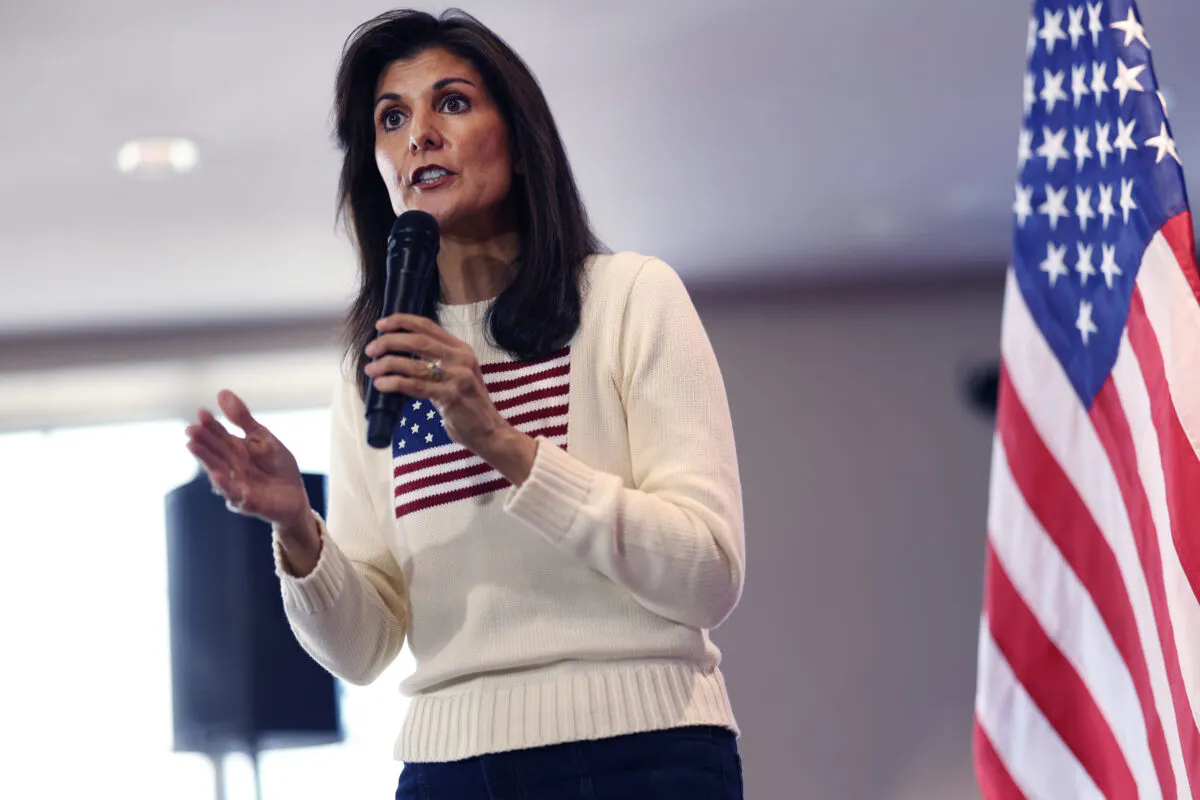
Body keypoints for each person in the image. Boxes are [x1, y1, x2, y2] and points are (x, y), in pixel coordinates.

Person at [185, 8, 746, 798]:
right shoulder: (374, 363)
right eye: (392, 118)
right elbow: (364, 650)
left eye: (451, 103)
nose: (420, 135)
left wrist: (502, 443)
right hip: (450, 768)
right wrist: (298, 529)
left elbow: (708, 576)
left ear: (519, 141)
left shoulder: (630, 298)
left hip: (644, 749)